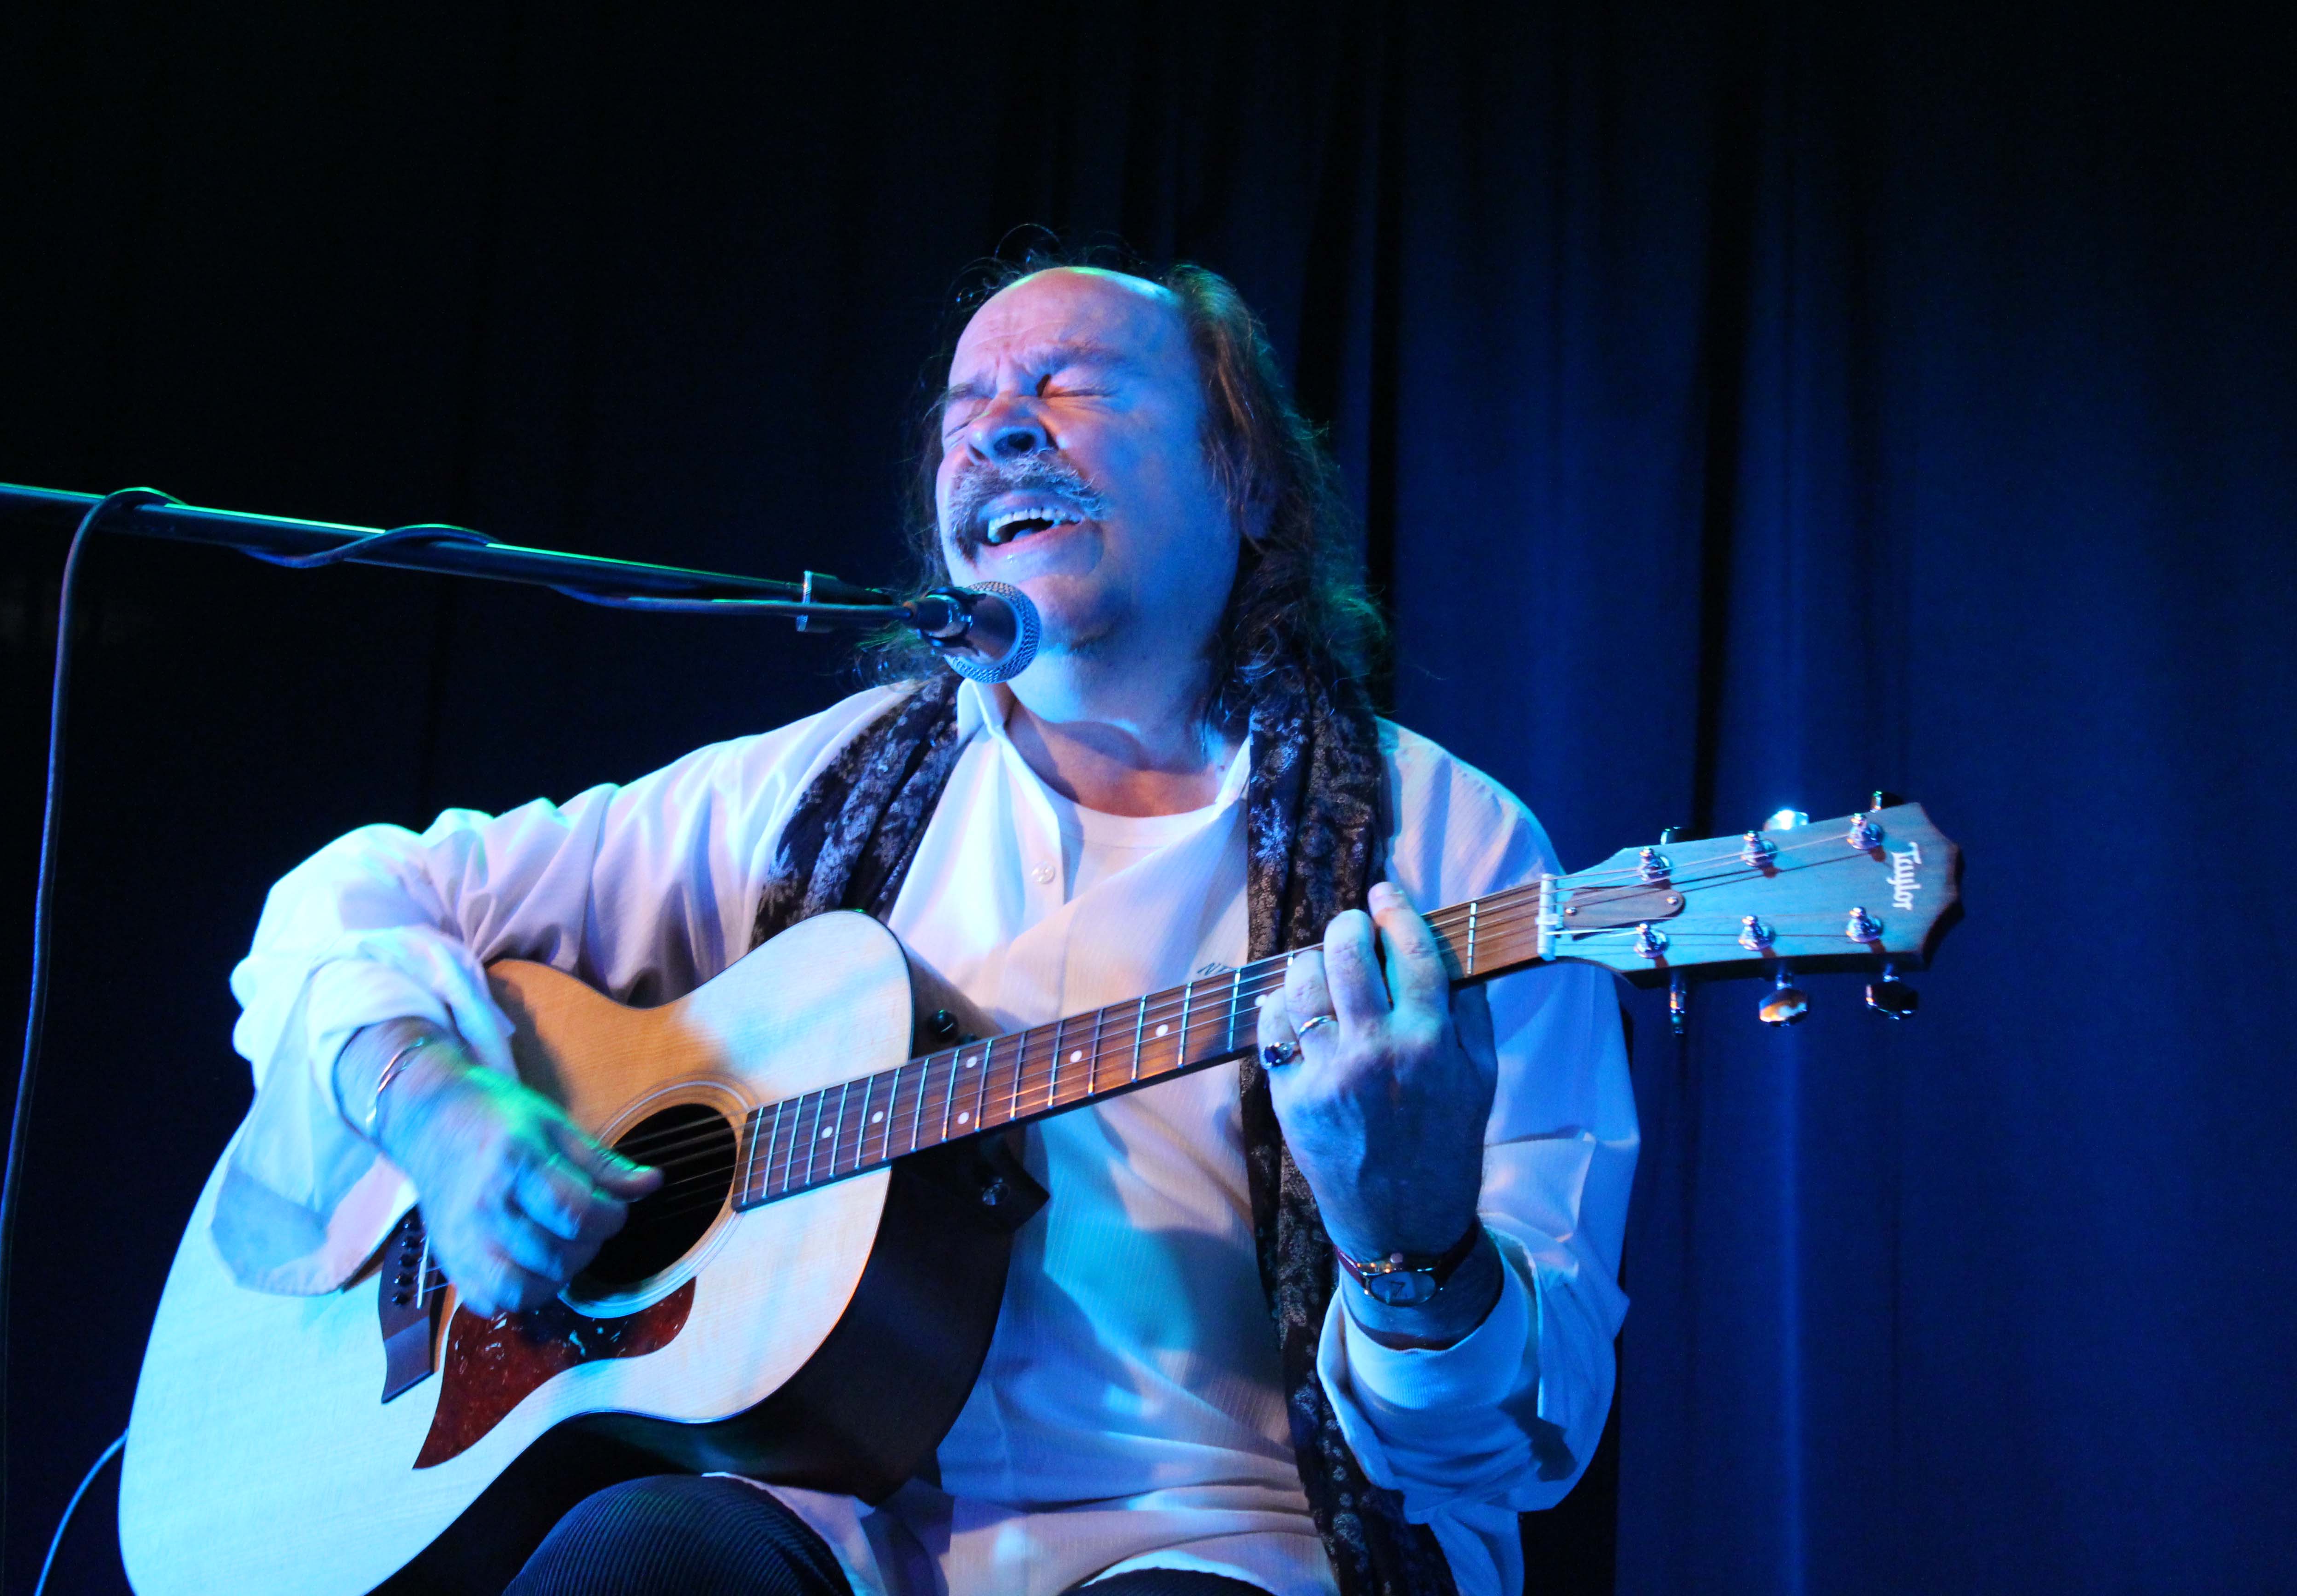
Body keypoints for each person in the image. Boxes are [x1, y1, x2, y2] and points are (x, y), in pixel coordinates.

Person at [213, 260, 1637, 1596]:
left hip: (1233, 1532)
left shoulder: (1448, 860)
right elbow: (345, 899)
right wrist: (438, 1114)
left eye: (1072, 386)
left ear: (1247, 476)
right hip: (819, 1515)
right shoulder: (806, 795)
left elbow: (1517, 1445)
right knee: (634, 1557)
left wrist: (1410, 1243)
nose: (1001, 430)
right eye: (968, 410)